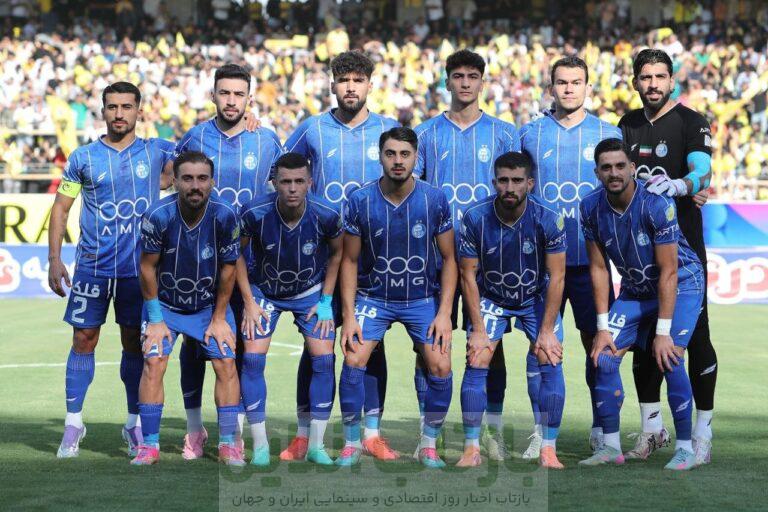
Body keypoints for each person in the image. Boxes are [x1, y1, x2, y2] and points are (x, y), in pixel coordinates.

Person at [48, 82, 175, 458]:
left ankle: (133, 424)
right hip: (92, 268)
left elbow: (204, 148)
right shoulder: (83, 157)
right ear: (103, 111)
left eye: (126, 106)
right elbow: (61, 208)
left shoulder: (157, 150)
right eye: (113, 107)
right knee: (83, 339)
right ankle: (73, 424)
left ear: (139, 111)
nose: (119, 113)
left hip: (139, 272)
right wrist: (55, 259)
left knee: (134, 344)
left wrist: (248, 120)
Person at [284, 51, 399, 461]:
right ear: (332, 85)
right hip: (321, 260)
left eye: (358, 80)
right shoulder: (311, 128)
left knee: (370, 345)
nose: (351, 87)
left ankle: (371, 433)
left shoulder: (388, 129)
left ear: (370, 85)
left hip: (374, 260)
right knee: (316, 345)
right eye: (344, 80)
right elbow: (282, 170)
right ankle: (305, 434)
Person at [414, 49, 520, 460]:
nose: (465, 83)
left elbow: (516, 193)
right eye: (457, 76)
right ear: (447, 82)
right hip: (435, 260)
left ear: (482, 82)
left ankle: (491, 431)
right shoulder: (425, 134)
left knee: (491, 346)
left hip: (490, 262)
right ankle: (431, 432)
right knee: (429, 347)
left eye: (472, 76)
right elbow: (414, 194)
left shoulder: (504, 134)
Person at [173, 63, 282, 460]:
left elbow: (287, 189)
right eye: (225, 93)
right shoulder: (196, 137)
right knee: (194, 346)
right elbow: (172, 179)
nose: (231, 101)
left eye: (239, 94)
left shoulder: (266, 139)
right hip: (200, 264)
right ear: (213, 96)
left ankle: (231, 431)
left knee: (241, 350)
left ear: (249, 98)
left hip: (253, 265)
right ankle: (194, 429)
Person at [578, 138, 703, 471]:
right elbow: (599, 269)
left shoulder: (656, 203)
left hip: (682, 283)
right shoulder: (589, 207)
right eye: (606, 167)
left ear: (633, 168)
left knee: (670, 356)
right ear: (597, 173)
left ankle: (686, 449)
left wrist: (662, 332)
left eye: (621, 166)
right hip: (636, 290)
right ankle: (610, 447)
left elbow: (669, 271)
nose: (614, 173)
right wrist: (603, 328)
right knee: (603, 357)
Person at [519, 56, 622, 457]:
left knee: (598, 345)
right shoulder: (530, 134)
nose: (568, 89)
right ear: (551, 88)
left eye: (576, 82)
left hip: (590, 263)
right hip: (541, 268)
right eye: (561, 82)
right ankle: (541, 431)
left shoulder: (607, 133)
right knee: (540, 347)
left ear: (587, 88)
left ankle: (601, 428)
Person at [336, 127, 456, 468]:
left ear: (416, 158)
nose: (398, 161)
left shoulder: (434, 199)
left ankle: (428, 444)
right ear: (380, 156)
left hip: (421, 299)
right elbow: (349, 260)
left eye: (405, 154)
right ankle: (352, 443)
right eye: (391, 154)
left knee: (441, 365)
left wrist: (444, 313)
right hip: (374, 298)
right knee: (354, 358)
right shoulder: (360, 200)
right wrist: (349, 316)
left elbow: (450, 258)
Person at [619, 49, 716, 465]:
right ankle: (652, 429)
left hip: (685, 251)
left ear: (672, 81)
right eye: (646, 77)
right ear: (636, 82)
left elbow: (703, 170)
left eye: (660, 76)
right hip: (639, 254)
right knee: (644, 341)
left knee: (694, 339)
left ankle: (702, 432)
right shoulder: (627, 124)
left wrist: (682, 185)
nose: (653, 83)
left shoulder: (692, 122)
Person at [131, 151, 243, 466]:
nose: (196, 185)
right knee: (154, 362)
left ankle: (228, 444)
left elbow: (229, 270)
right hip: (165, 307)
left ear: (212, 182)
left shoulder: (225, 216)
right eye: (188, 178)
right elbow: (147, 268)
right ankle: (149, 446)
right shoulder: (158, 215)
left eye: (202, 178)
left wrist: (219, 318)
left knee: (226, 363)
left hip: (208, 307)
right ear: (175, 181)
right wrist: (155, 319)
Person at [458, 152, 567, 469]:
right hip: (492, 297)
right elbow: (468, 275)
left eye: (517, 181)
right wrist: (478, 330)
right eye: (503, 180)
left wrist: (546, 331)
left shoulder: (549, 218)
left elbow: (557, 276)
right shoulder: (475, 217)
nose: (509, 187)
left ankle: (548, 448)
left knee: (550, 356)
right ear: (494, 182)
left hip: (535, 298)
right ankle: (471, 448)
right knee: (477, 357)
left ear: (530, 183)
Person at [236, 152, 343, 466]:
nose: (292, 188)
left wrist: (326, 301)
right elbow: (236, 254)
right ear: (274, 183)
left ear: (310, 182)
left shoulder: (326, 213)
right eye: (285, 182)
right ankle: (259, 446)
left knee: (324, 359)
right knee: (252, 359)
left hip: (310, 293)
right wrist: (249, 302)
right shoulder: (254, 212)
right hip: (264, 292)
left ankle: (316, 446)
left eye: (299, 181)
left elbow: (338, 254)